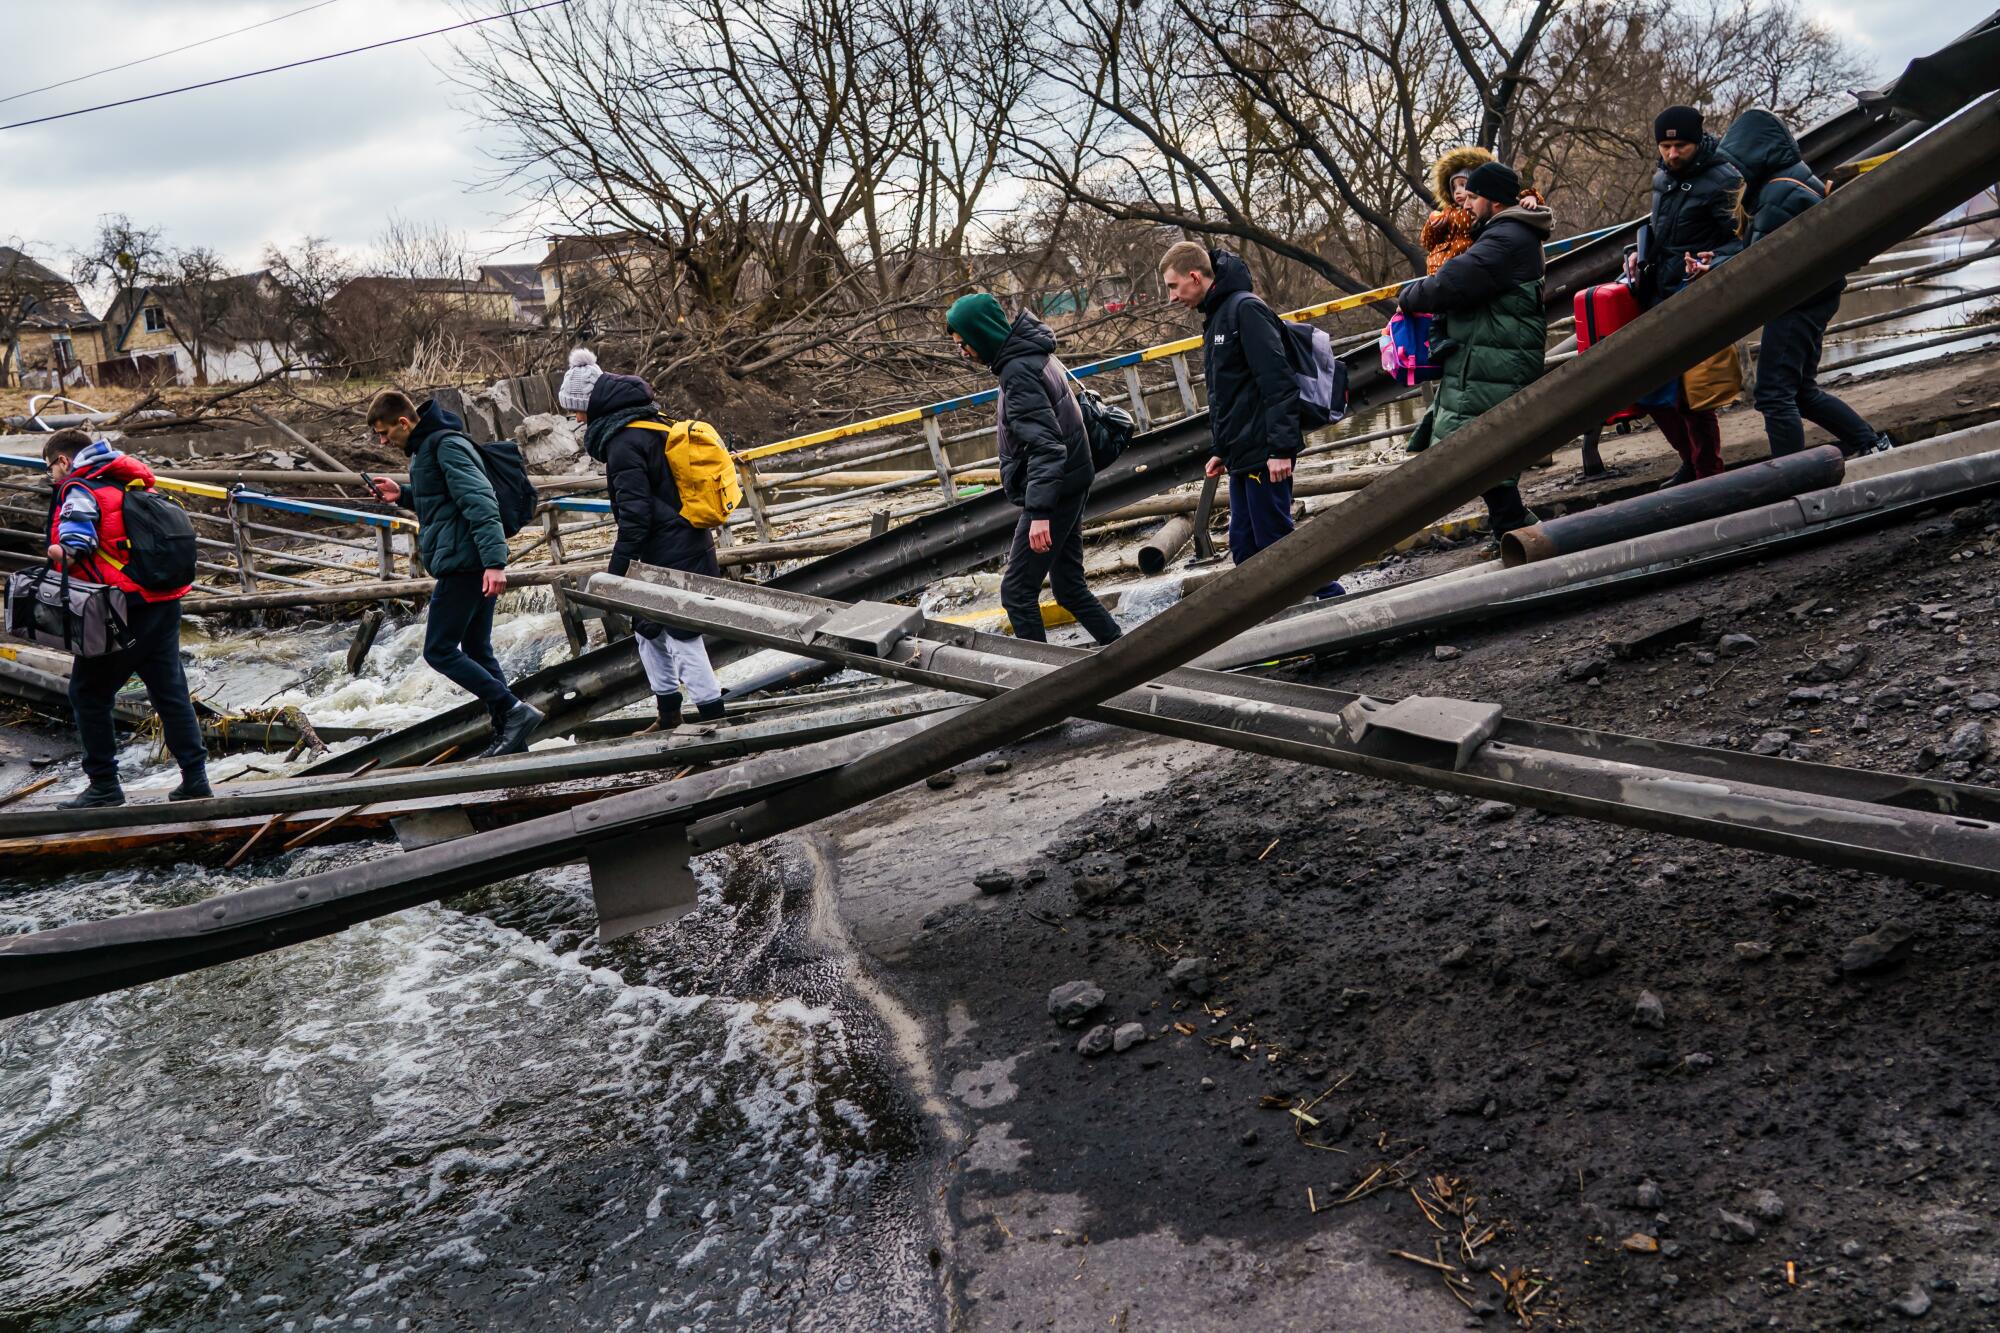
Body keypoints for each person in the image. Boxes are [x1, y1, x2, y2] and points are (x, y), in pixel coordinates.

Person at [1158, 242, 1343, 597]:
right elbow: (1230, 395)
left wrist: (1280, 449)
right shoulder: (1216, 317)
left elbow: (1278, 383)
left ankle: (1332, 599)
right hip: (1243, 453)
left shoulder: (1244, 310)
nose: (1171, 297)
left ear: (1194, 277)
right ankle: (1274, 626)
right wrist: (1221, 450)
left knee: (1274, 540)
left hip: (1265, 451)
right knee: (1244, 547)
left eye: (1172, 286)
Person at [558, 349, 731, 726]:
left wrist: (616, 571)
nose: (576, 418)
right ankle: (668, 713)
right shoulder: (651, 423)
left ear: (593, 406)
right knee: (647, 629)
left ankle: (711, 716)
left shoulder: (623, 444)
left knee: (681, 635)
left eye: (577, 410)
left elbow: (636, 517)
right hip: (680, 542)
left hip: (672, 550)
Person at [364, 390, 542, 757]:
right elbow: (443, 498)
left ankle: (513, 711)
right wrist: (404, 494)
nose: (382, 441)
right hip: (468, 559)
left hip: (466, 564)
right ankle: (513, 736)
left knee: (439, 650)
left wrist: (496, 562)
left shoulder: (443, 445)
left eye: (384, 433)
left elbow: (480, 500)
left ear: (403, 422)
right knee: (477, 648)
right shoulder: (427, 448)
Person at [41, 428, 210, 809]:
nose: (50, 476)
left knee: (87, 694)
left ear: (64, 461)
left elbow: (75, 548)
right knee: (170, 693)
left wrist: (53, 551)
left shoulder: (80, 489)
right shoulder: (131, 482)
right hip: (163, 601)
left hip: (118, 608)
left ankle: (103, 785)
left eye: (49, 467)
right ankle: (195, 779)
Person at [943, 294, 1122, 644]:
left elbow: (1046, 444)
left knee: (1017, 592)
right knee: (1069, 587)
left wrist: (1039, 513)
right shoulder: (1033, 354)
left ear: (981, 334)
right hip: (1068, 482)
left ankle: (1043, 681)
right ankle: (1125, 653)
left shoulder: (1018, 372)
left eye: (965, 343)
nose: (962, 351)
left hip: (1054, 492)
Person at [1713, 108, 1891, 459]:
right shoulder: (1787, 184)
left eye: (1737, 165)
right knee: (1801, 392)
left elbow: (1758, 265)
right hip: (1813, 297)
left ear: (1754, 156)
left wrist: (1717, 270)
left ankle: (1793, 478)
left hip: (1798, 302)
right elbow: (1758, 251)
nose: (1734, 176)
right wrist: (1716, 262)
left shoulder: (1777, 194)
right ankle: (1871, 444)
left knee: (1773, 394)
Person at [1395, 161, 1549, 537]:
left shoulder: (1504, 239)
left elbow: (1448, 284)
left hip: (1494, 357)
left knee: (1476, 448)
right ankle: (1511, 530)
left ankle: (1519, 530)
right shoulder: (1505, 233)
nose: (1465, 203)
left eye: (1474, 196)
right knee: (1481, 449)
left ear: (1494, 201)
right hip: (1487, 354)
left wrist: (1407, 297)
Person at [1622, 105, 1744, 485]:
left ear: (1698, 141)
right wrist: (1635, 253)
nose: (1672, 154)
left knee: (1694, 395)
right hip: (1660, 291)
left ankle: (1708, 472)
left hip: (1696, 295)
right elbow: (1663, 230)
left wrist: (1716, 260)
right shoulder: (1663, 178)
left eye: (1681, 146)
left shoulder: (1724, 178)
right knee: (1651, 388)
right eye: (1664, 145)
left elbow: (1745, 240)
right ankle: (1691, 463)